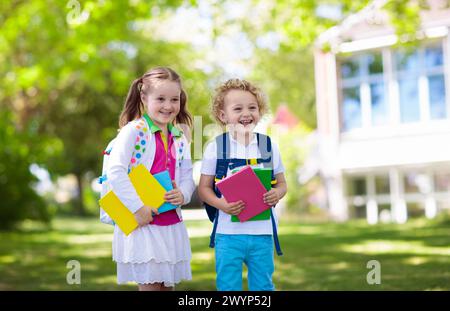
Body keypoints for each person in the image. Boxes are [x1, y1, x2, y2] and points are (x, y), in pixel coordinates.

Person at [107, 67, 195, 291]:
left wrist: (183, 193)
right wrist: (137, 208)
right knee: (150, 287)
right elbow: (115, 171)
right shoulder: (134, 131)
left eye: (174, 99)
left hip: (170, 224)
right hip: (143, 223)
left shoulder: (179, 136)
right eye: (161, 99)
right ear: (144, 98)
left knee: (167, 287)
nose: (168, 106)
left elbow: (186, 175)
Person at [198, 78, 287, 291]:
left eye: (252, 108)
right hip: (228, 234)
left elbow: (282, 184)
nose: (246, 113)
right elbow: (203, 188)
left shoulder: (268, 145)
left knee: (263, 286)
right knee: (228, 286)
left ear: (260, 111)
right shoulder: (216, 147)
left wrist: (277, 193)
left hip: (262, 234)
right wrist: (222, 205)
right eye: (238, 108)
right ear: (223, 115)